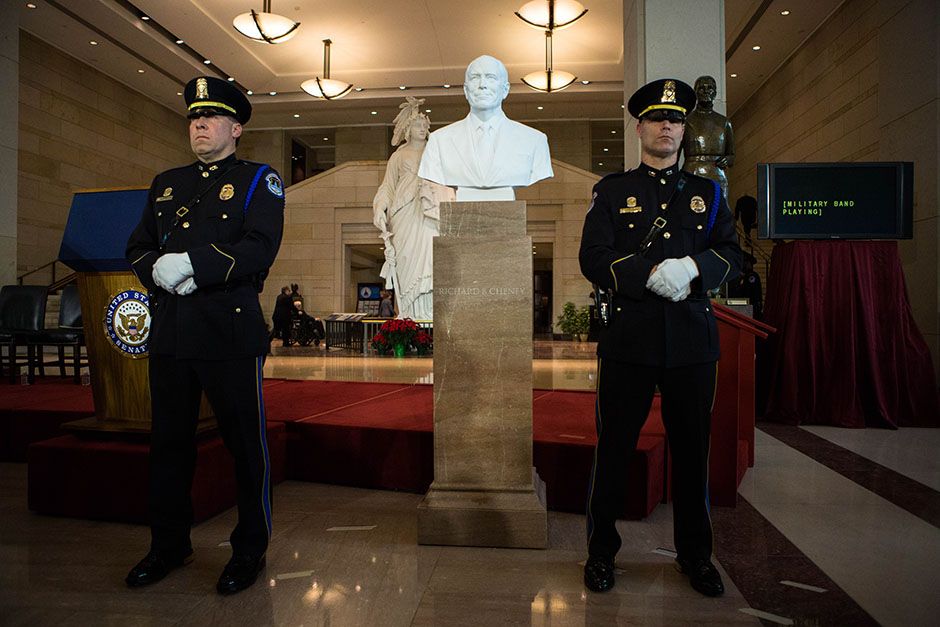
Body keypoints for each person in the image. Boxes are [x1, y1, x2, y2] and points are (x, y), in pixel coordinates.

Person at [578, 78, 742, 597]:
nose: (667, 125)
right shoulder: (613, 190)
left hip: (692, 343)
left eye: (675, 119)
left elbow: (734, 255)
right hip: (630, 338)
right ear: (640, 127)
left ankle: (696, 556)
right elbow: (593, 255)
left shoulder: (707, 194)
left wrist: (693, 267)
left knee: (693, 453)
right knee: (615, 449)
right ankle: (601, 552)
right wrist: (646, 274)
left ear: (682, 128)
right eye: (657, 118)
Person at [124, 75, 284, 595]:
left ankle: (249, 550)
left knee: (245, 447)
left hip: (228, 333)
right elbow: (138, 247)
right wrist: (158, 270)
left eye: (211, 117)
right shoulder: (166, 183)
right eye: (194, 117)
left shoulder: (261, 179)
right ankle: (168, 545)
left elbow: (259, 246)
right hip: (171, 333)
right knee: (169, 446)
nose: (199, 124)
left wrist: (192, 264)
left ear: (235, 128)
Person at [418, 55, 553, 201]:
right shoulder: (439, 140)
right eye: (475, 77)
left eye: (491, 77)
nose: (482, 84)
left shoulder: (534, 140)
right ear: (465, 90)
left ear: (505, 89)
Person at [373, 97, 445, 319]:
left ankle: (430, 315)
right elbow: (387, 186)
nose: (423, 128)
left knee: (430, 260)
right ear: (408, 129)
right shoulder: (398, 156)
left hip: (429, 212)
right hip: (403, 213)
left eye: (425, 126)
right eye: (418, 125)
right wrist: (379, 208)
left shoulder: (436, 153)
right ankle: (408, 317)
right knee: (407, 263)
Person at [681, 75, 735, 200]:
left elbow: (731, 155)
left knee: (719, 213)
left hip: (717, 173)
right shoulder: (686, 121)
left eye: (710, 88)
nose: (706, 91)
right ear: (695, 92)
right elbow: (675, 155)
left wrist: (727, 160)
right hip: (692, 172)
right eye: (701, 88)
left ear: (715, 92)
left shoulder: (724, 122)